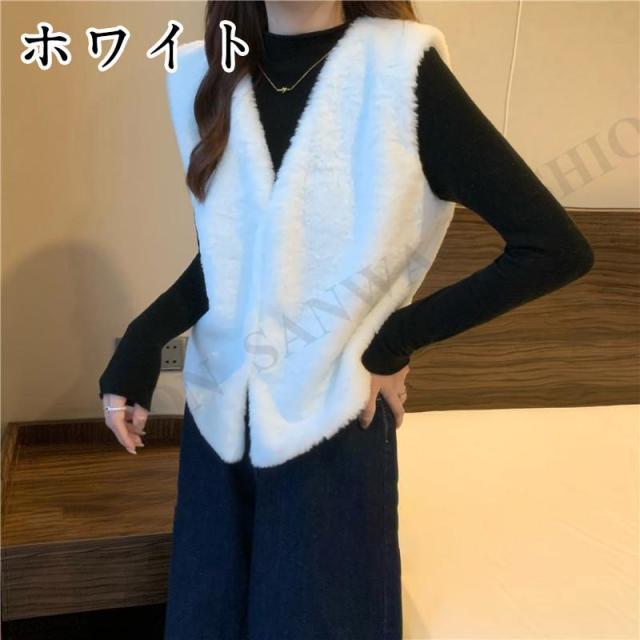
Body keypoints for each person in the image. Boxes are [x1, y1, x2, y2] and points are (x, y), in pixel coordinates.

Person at [98, 1, 594, 638]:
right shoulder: (208, 74)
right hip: (216, 418)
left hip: (330, 427)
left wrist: (392, 342)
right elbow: (231, 259)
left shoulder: (399, 69)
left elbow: (553, 247)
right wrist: (142, 340)